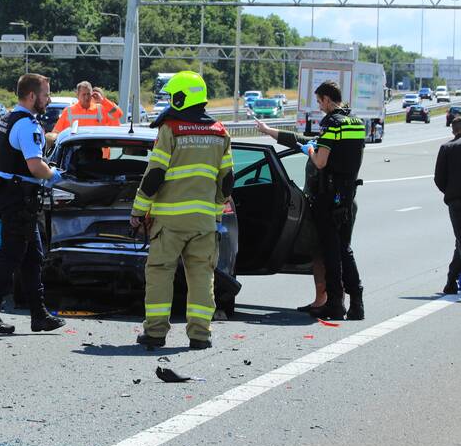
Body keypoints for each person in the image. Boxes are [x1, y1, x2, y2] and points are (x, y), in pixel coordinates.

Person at [130, 71, 233, 350]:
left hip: (170, 221)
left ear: (181, 97)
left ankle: (156, 333)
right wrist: (215, 212)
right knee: (202, 275)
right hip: (203, 223)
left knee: (160, 273)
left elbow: (154, 175)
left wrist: (138, 212)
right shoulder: (220, 132)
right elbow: (227, 180)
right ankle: (200, 335)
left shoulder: (171, 129)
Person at [0, 73, 66, 334]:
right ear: (32, 96)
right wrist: (54, 175)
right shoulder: (27, 125)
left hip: (12, 197)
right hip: (19, 201)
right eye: (46, 94)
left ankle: (39, 315)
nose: (48, 100)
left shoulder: (8, 118)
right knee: (10, 258)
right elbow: (35, 166)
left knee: (32, 257)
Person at [302, 80, 366, 320]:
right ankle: (357, 302)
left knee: (331, 249)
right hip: (348, 193)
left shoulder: (331, 124)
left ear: (328, 99)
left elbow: (320, 162)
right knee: (344, 248)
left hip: (328, 194)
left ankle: (336, 304)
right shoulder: (357, 122)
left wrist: (309, 149)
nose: (319, 106)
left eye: (319, 101)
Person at [254, 119, 330, 312]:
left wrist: (312, 151)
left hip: (328, 207)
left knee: (324, 254)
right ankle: (325, 299)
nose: (319, 134)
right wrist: (267, 130)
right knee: (322, 254)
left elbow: (312, 153)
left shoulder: (326, 151)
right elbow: (295, 139)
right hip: (322, 205)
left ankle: (326, 300)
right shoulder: (323, 144)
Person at [434, 117, 461, 295]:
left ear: (453, 130)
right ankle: (451, 281)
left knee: (460, 241)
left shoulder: (447, 148)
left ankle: (451, 282)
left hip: (455, 201)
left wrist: (450, 192)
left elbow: (438, 178)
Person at [48, 81, 123, 139]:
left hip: (99, 154)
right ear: (78, 95)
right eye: (84, 94)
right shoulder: (69, 111)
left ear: (92, 94)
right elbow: (56, 133)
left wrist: (103, 101)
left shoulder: (101, 109)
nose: (86, 97)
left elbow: (118, 114)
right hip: (75, 154)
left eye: (88, 94)